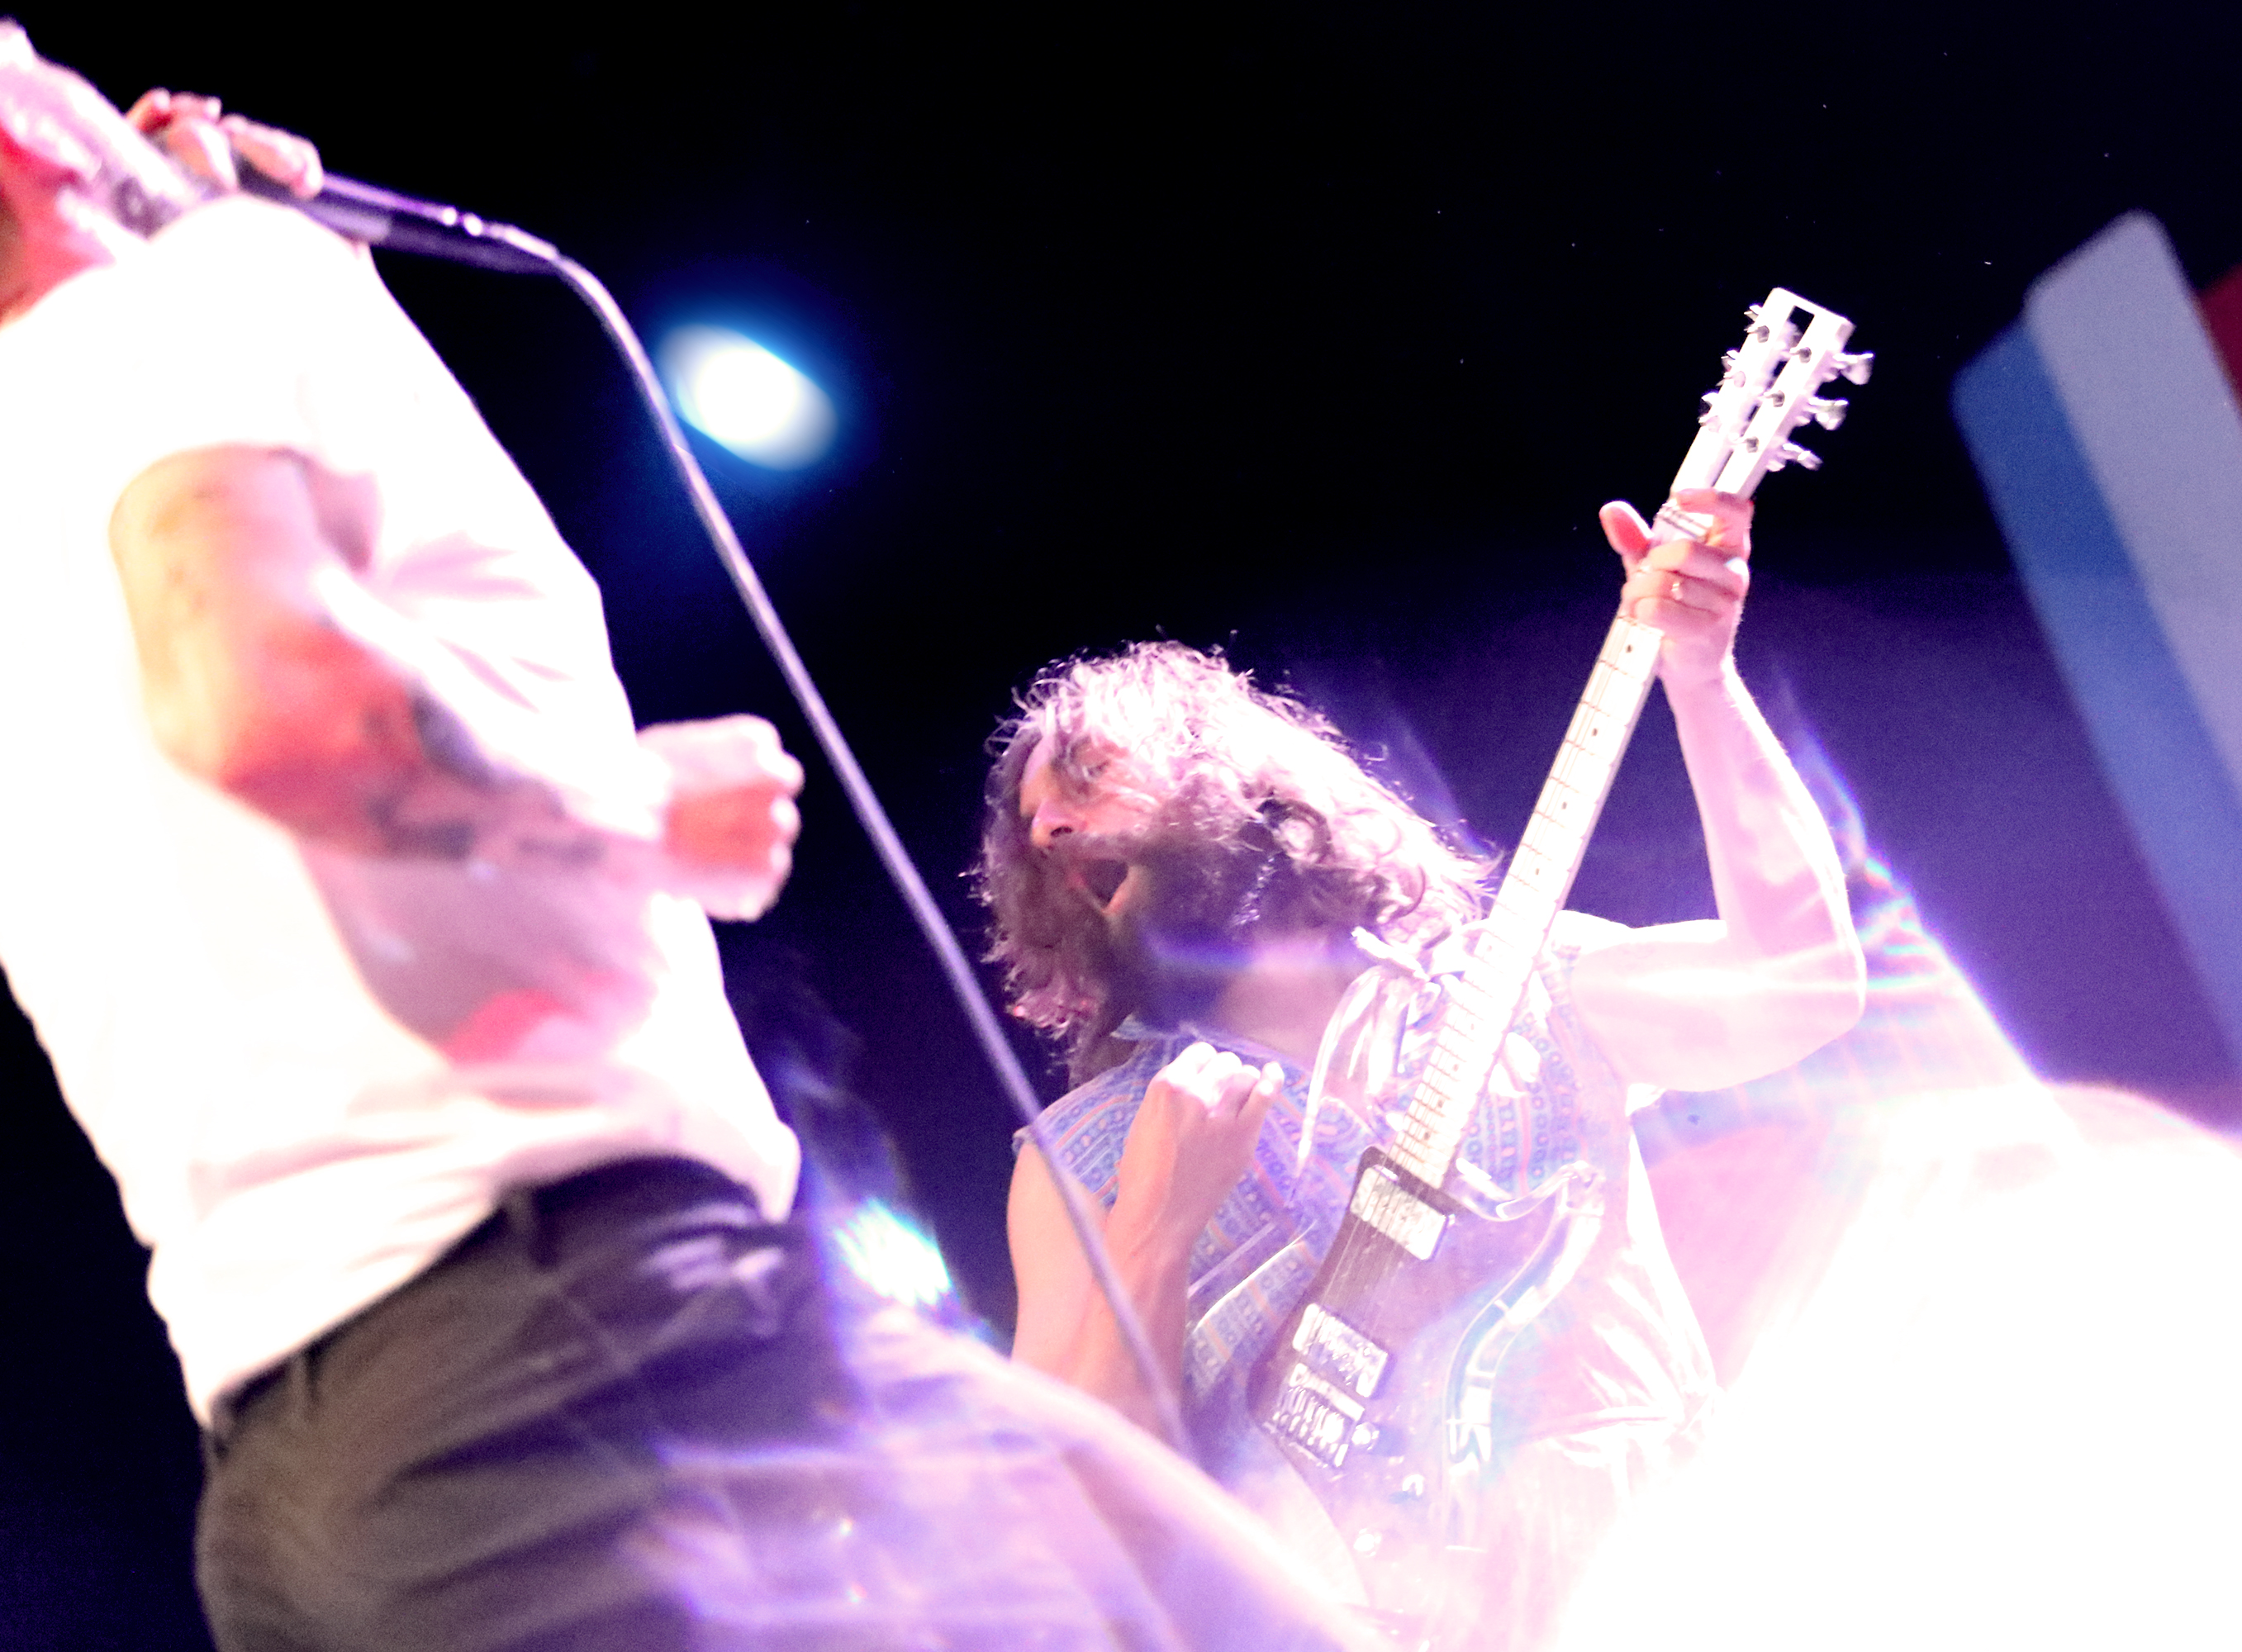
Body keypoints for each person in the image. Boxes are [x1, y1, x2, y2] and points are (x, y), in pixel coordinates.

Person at [0, 29, 1363, 1651]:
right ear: (24, 135)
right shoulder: (192, 292)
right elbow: (265, 702)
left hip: (337, 1473)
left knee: (1215, 1603)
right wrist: (631, 811)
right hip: (579, 1356)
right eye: (44, 58)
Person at [979, 493, 1867, 1645]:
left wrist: (1701, 680)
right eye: (1032, 829)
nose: (1050, 831)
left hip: (1681, 1592)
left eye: (1089, 778)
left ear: (1233, 777)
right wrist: (1153, 1226)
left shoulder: (1519, 982)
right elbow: (1081, 1525)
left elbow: (1801, 985)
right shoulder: (1083, 1158)